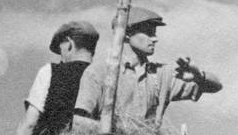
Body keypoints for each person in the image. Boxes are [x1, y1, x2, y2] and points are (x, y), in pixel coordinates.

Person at [72, 7, 221, 123]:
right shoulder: (99, 72)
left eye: (154, 33)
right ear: (128, 33)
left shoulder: (161, 74)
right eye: (149, 33)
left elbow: (215, 86)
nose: (155, 39)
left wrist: (199, 75)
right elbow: (79, 122)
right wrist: (113, 133)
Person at [12, 20, 99, 135]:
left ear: (69, 44)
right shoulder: (102, 77)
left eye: (60, 49)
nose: (61, 56)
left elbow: (30, 123)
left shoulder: (50, 71)